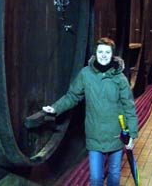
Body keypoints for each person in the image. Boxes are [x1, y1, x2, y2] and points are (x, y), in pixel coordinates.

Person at [42, 37, 138, 186]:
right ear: (96, 53)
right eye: (101, 51)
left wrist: (132, 134)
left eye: (107, 52)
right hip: (95, 134)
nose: (103, 55)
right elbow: (73, 96)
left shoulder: (119, 78)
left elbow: (129, 107)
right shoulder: (85, 74)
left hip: (116, 134)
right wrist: (55, 108)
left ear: (112, 54)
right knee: (95, 178)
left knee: (114, 174)